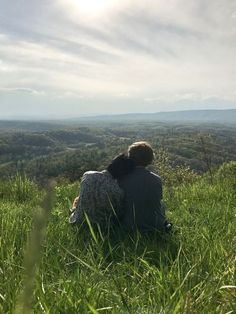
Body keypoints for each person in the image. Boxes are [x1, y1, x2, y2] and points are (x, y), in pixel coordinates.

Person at [69, 153, 135, 226]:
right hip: (103, 227)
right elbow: (119, 214)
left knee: (77, 199)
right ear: (124, 174)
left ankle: (73, 211)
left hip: (78, 222)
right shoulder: (118, 191)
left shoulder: (87, 175)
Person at [118, 141, 171, 232]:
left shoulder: (122, 179)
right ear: (150, 159)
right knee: (161, 204)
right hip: (156, 227)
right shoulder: (156, 179)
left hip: (130, 228)